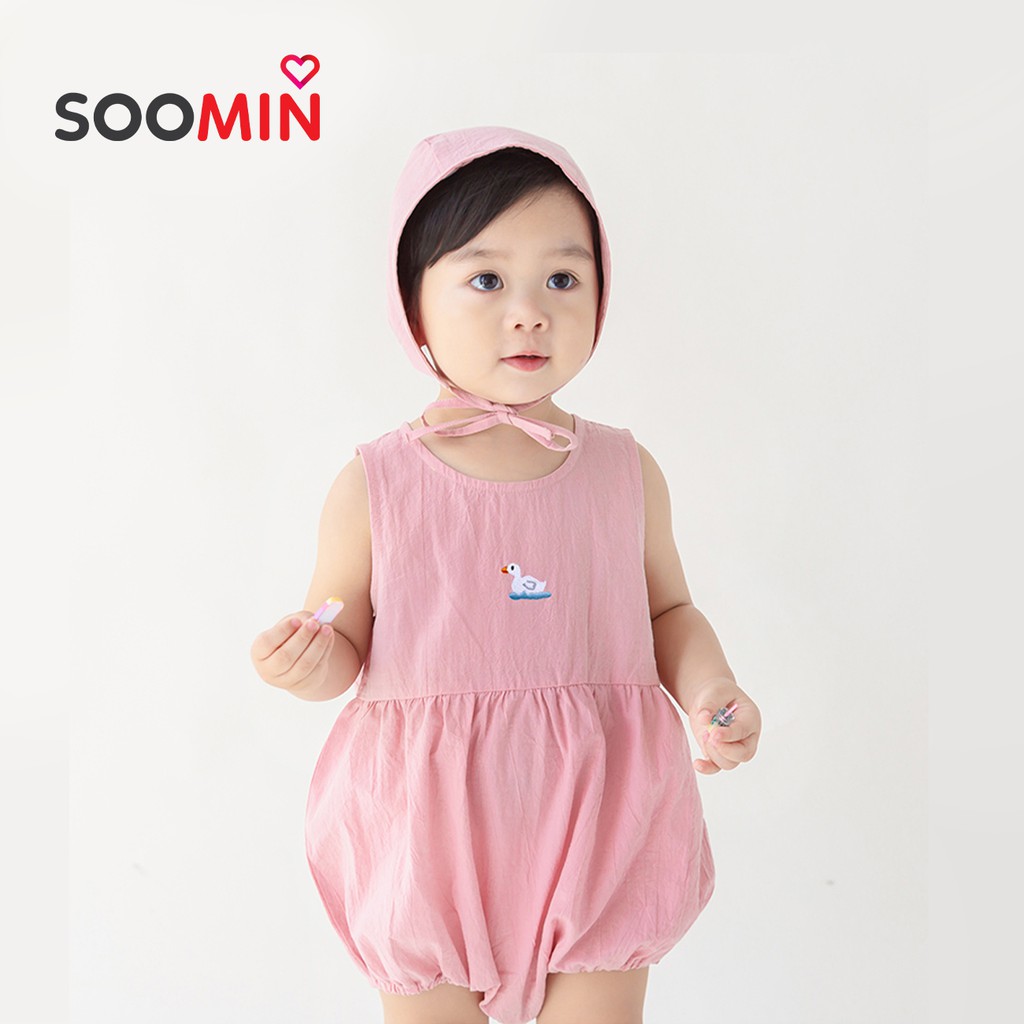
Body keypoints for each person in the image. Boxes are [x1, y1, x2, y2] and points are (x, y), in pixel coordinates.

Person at [250, 125, 762, 1024]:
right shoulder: (375, 483)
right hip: (424, 829)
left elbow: (668, 612)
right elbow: (339, 631)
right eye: (486, 280)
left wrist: (709, 687)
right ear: (413, 308)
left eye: (562, 279)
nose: (529, 311)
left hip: (603, 812)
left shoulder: (622, 470)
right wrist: (307, 658)